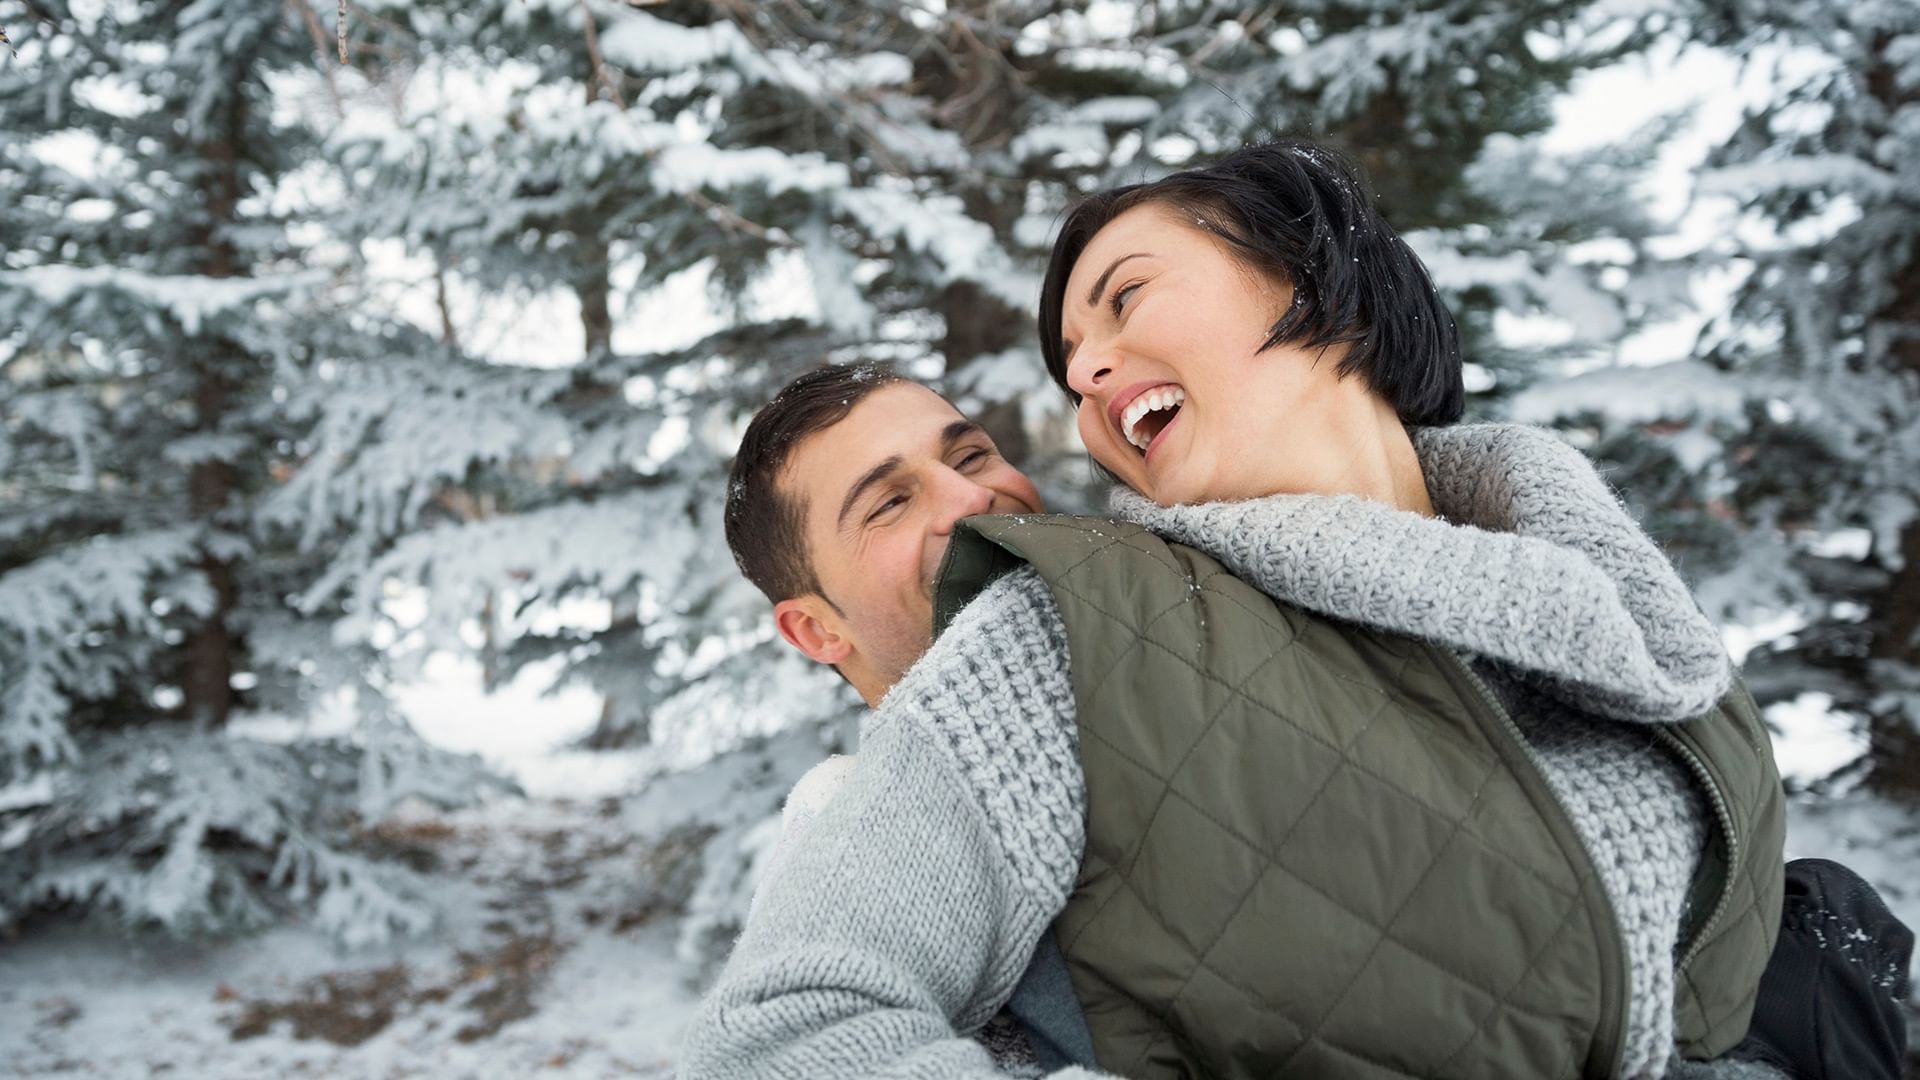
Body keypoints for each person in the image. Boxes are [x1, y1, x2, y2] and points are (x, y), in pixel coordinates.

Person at [685, 141, 1901, 1079]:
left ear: (1320, 280)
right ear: (815, 627)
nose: (1087, 374)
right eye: (1071, 357)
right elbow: (791, 1032)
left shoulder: (1596, 579)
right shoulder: (1072, 637)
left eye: (1125, 299)